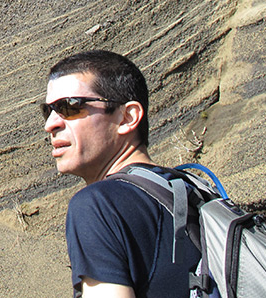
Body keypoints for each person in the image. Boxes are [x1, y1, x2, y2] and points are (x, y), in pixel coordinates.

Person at [42, 50, 200, 298]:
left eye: (70, 106)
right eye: (48, 110)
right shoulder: (192, 191)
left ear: (127, 117)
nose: (50, 124)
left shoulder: (98, 205)